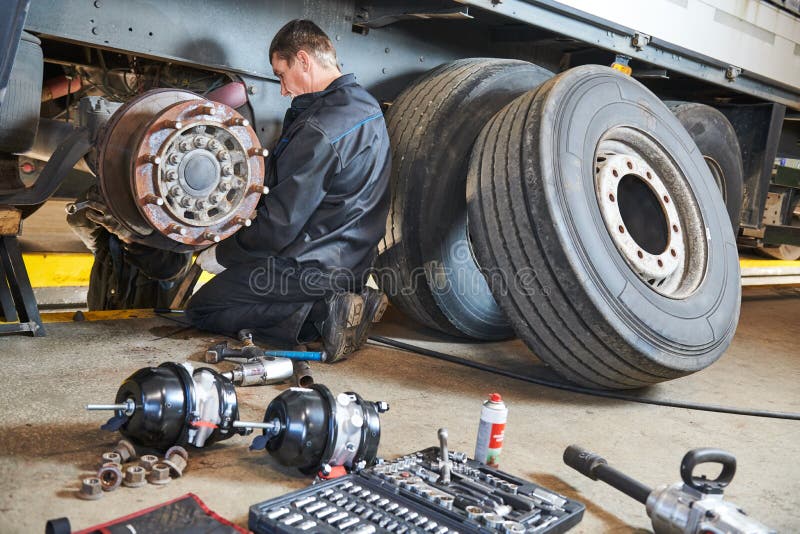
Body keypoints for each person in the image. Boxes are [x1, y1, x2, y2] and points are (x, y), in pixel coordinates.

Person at [185, 19, 391, 361]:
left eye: (281, 74)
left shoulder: (319, 128)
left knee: (203, 309)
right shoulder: (366, 107)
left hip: (308, 269)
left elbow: (279, 227)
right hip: (350, 263)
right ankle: (337, 302)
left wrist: (222, 255)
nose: (282, 89)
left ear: (304, 60)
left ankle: (323, 316)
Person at [67, 184, 192, 310]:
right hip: (113, 323)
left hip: (140, 325)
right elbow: (77, 221)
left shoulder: (174, 246)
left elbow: (167, 269)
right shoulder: (108, 240)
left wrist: (129, 235)